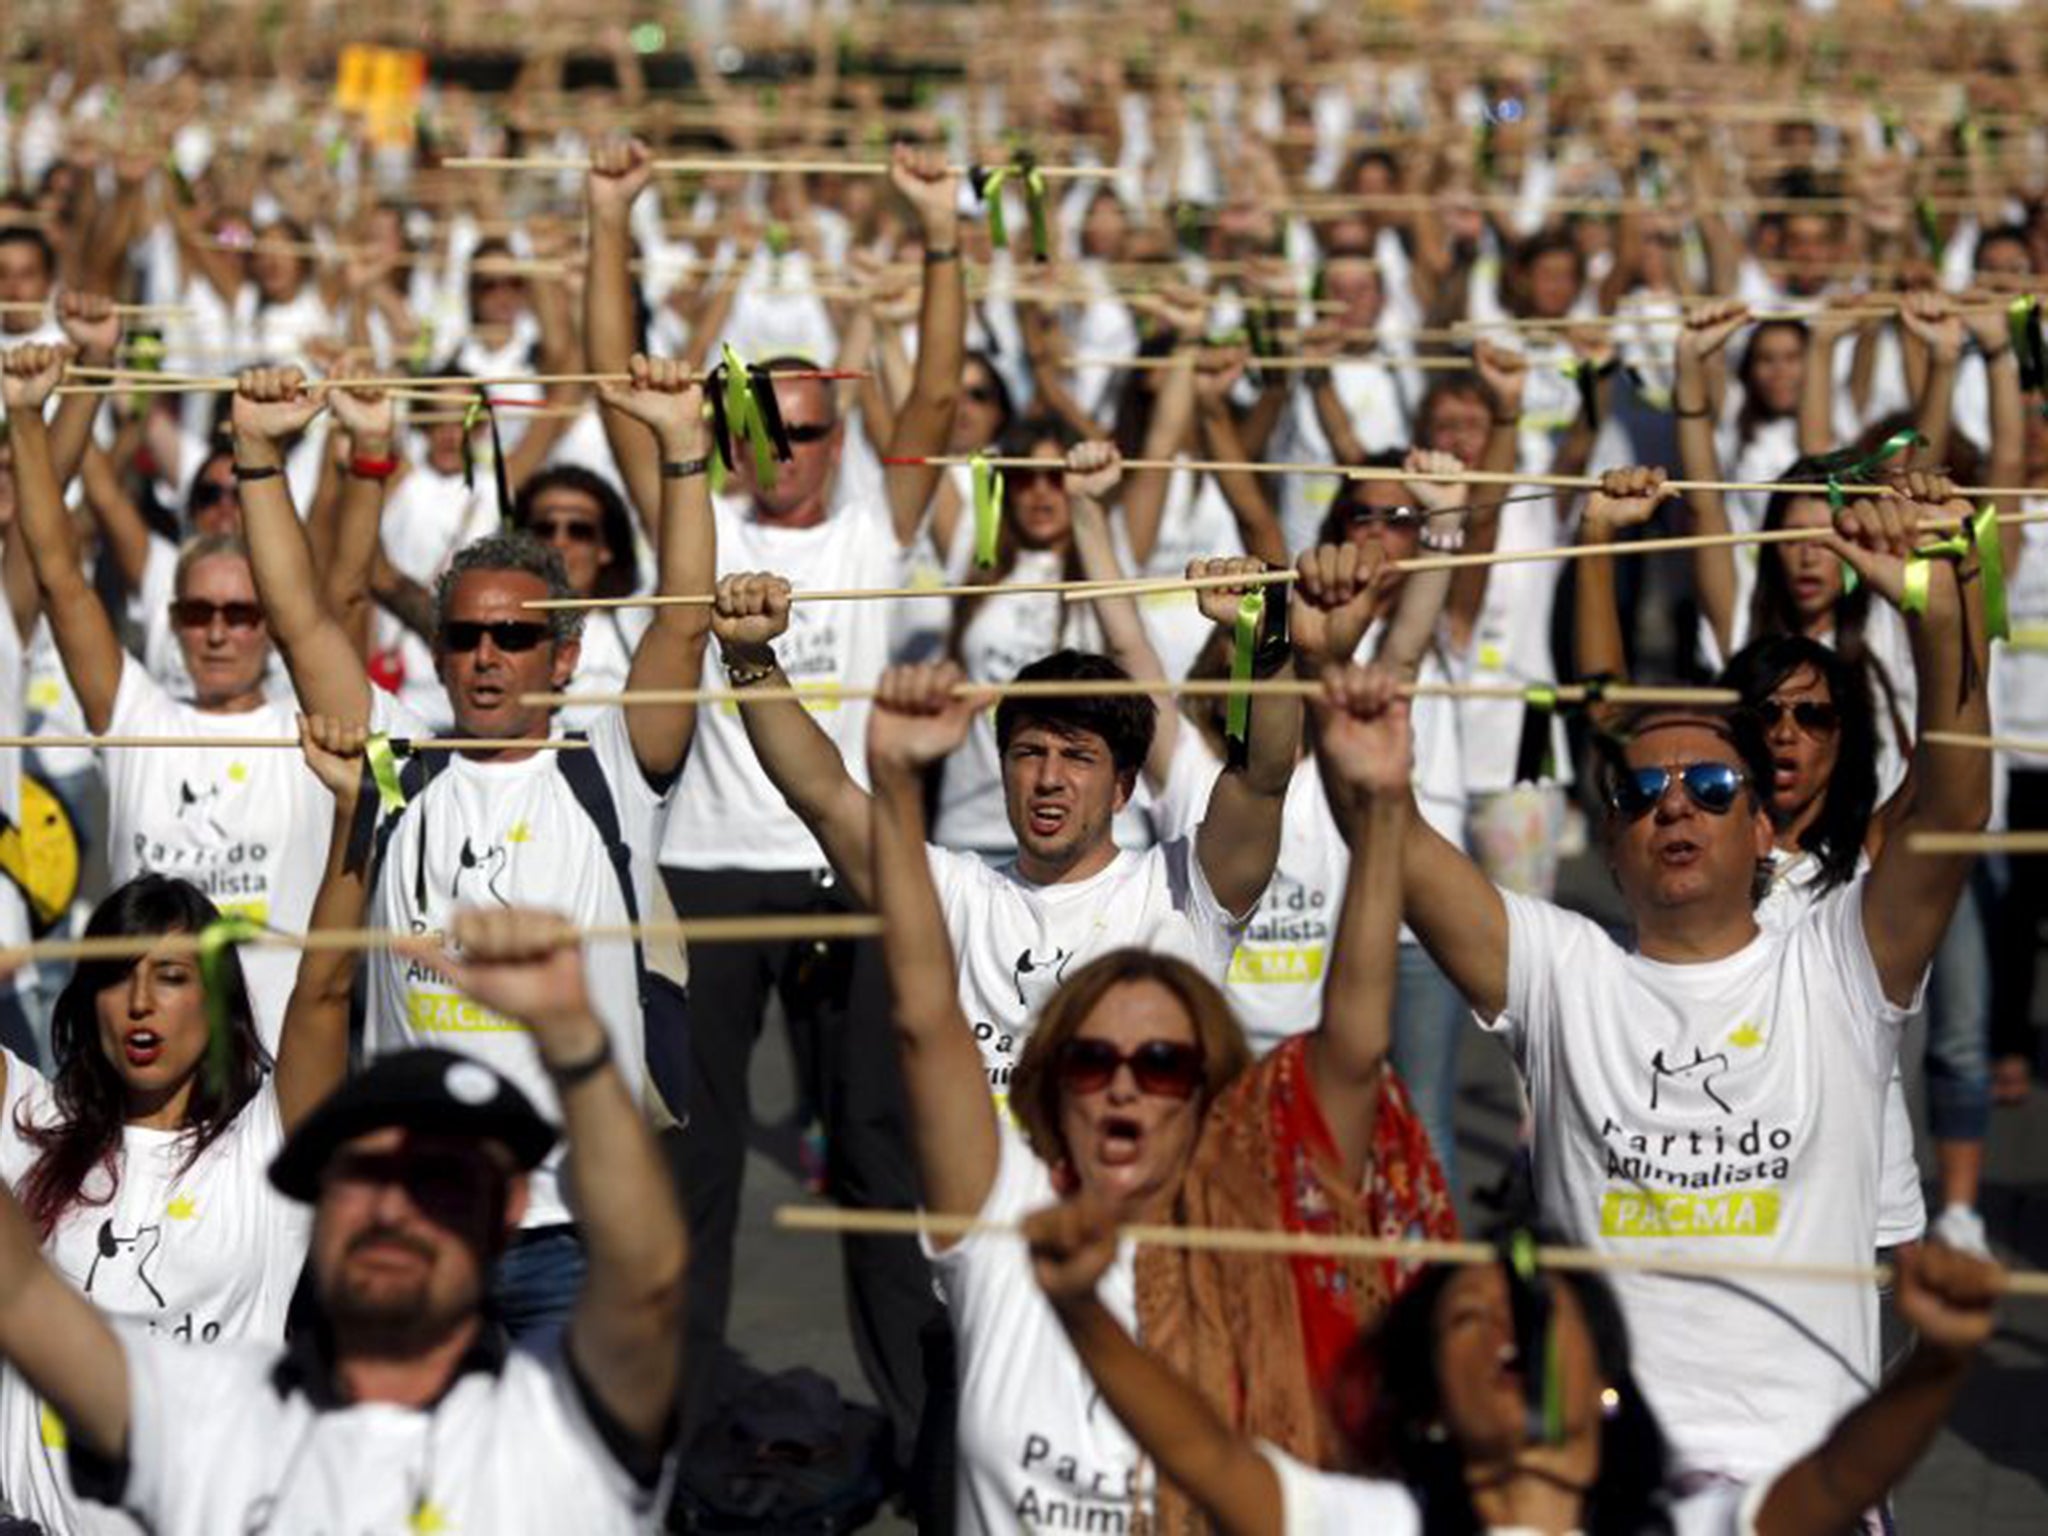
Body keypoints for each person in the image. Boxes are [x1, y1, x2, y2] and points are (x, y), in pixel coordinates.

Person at [1335, 466, 1992, 1483]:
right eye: (1641, 792)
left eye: (1711, 786)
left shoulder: (1837, 956)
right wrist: (1349, 738)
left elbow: (1951, 794)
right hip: (1601, 1490)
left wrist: (1934, 610)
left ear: (1760, 828)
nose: (1674, 807)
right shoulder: (1558, 968)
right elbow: (1386, 826)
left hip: (1798, 1493)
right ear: (1609, 843)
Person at [862, 646, 1454, 1532]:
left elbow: (1353, 1043)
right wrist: (889, 775)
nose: (1125, 1091)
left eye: (1163, 1064)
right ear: (1052, 1079)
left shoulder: (1231, 1224)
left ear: (1210, 1075)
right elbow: (919, 1013)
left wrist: (1280, 659)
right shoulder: (1000, 1222)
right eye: (1092, 1061)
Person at [585, 139, 968, 1457]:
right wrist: (609, 213)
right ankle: (674, 1442)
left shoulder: (874, 527)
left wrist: (937, 228)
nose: (785, 450)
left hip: (852, 866)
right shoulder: (705, 523)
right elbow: (608, 378)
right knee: (694, 1176)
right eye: (764, 428)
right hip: (712, 868)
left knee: (877, 1150)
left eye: (809, 429)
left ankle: (928, 1440)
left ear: (838, 432)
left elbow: (938, 401)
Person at [232, 354, 711, 1347]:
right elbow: (298, 620)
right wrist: (255, 455)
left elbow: (685, 622)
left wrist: (681, 450)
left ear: (566, 655)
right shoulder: (401, 765)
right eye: (465, 637)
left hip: (572, 1230)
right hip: (417, 1224)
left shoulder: (609, 770)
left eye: (515, 638)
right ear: (440, 652)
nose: (487, 656)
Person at [0, 908, 686, 1534]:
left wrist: (576, 1045)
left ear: (505, 1213)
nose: (393, 1209)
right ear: (316, 1203)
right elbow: (22, 1296)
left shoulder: (556, 1426)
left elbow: (648, 1285)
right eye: (363, 1176)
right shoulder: (217, 1419)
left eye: (437, 1183)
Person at [1027, 1192, 2005, 1536]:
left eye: (1536, 1308)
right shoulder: (1384, 1526)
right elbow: (1210, 1460)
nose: (1506, 1325)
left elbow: (1837, 1479)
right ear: (1428, 1411)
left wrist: (1935, 1364)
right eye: (1466, 1319)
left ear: (1607, 1378)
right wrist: (1079, 1307)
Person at [0, 712, 365, 1534]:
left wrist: (353, 812)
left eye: (170, 977)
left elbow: (327, 989)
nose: (139, 1004)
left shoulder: (271, 1142)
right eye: (117, 978)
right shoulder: (30, 1119)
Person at [2, 343, 378, 1048]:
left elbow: (343, 592)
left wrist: (360, 449)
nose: (216, 633)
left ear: (272, 625)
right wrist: (26, 416)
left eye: (240, 615)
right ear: (171, 621)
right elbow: (58, 576)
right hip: (140, 1070)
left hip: (275, 1072)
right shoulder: (137, 716)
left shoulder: (317, 730)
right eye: (197, 613)